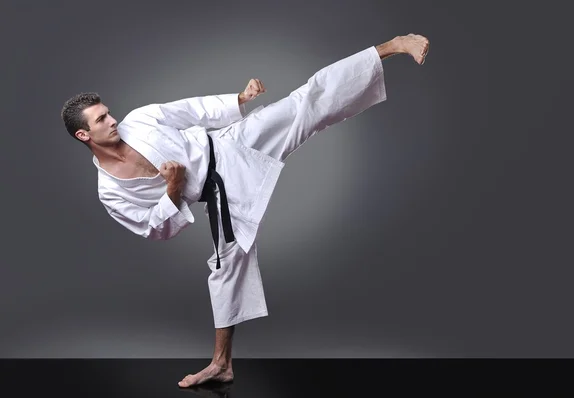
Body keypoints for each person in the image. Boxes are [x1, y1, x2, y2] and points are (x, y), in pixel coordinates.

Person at [60, 33, 429, 387]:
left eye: (108, 113)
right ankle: (221, 365)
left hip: (230, 145)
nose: (113, 120)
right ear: (84, 135)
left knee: (305, 103)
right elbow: (153, 228)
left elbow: (189, 109)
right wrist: (172, 191)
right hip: (219, 195)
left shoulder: (137, 121)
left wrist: (239, 99)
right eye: (102, 120)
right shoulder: (110, 191)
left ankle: (391, 47)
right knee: (226, 270)